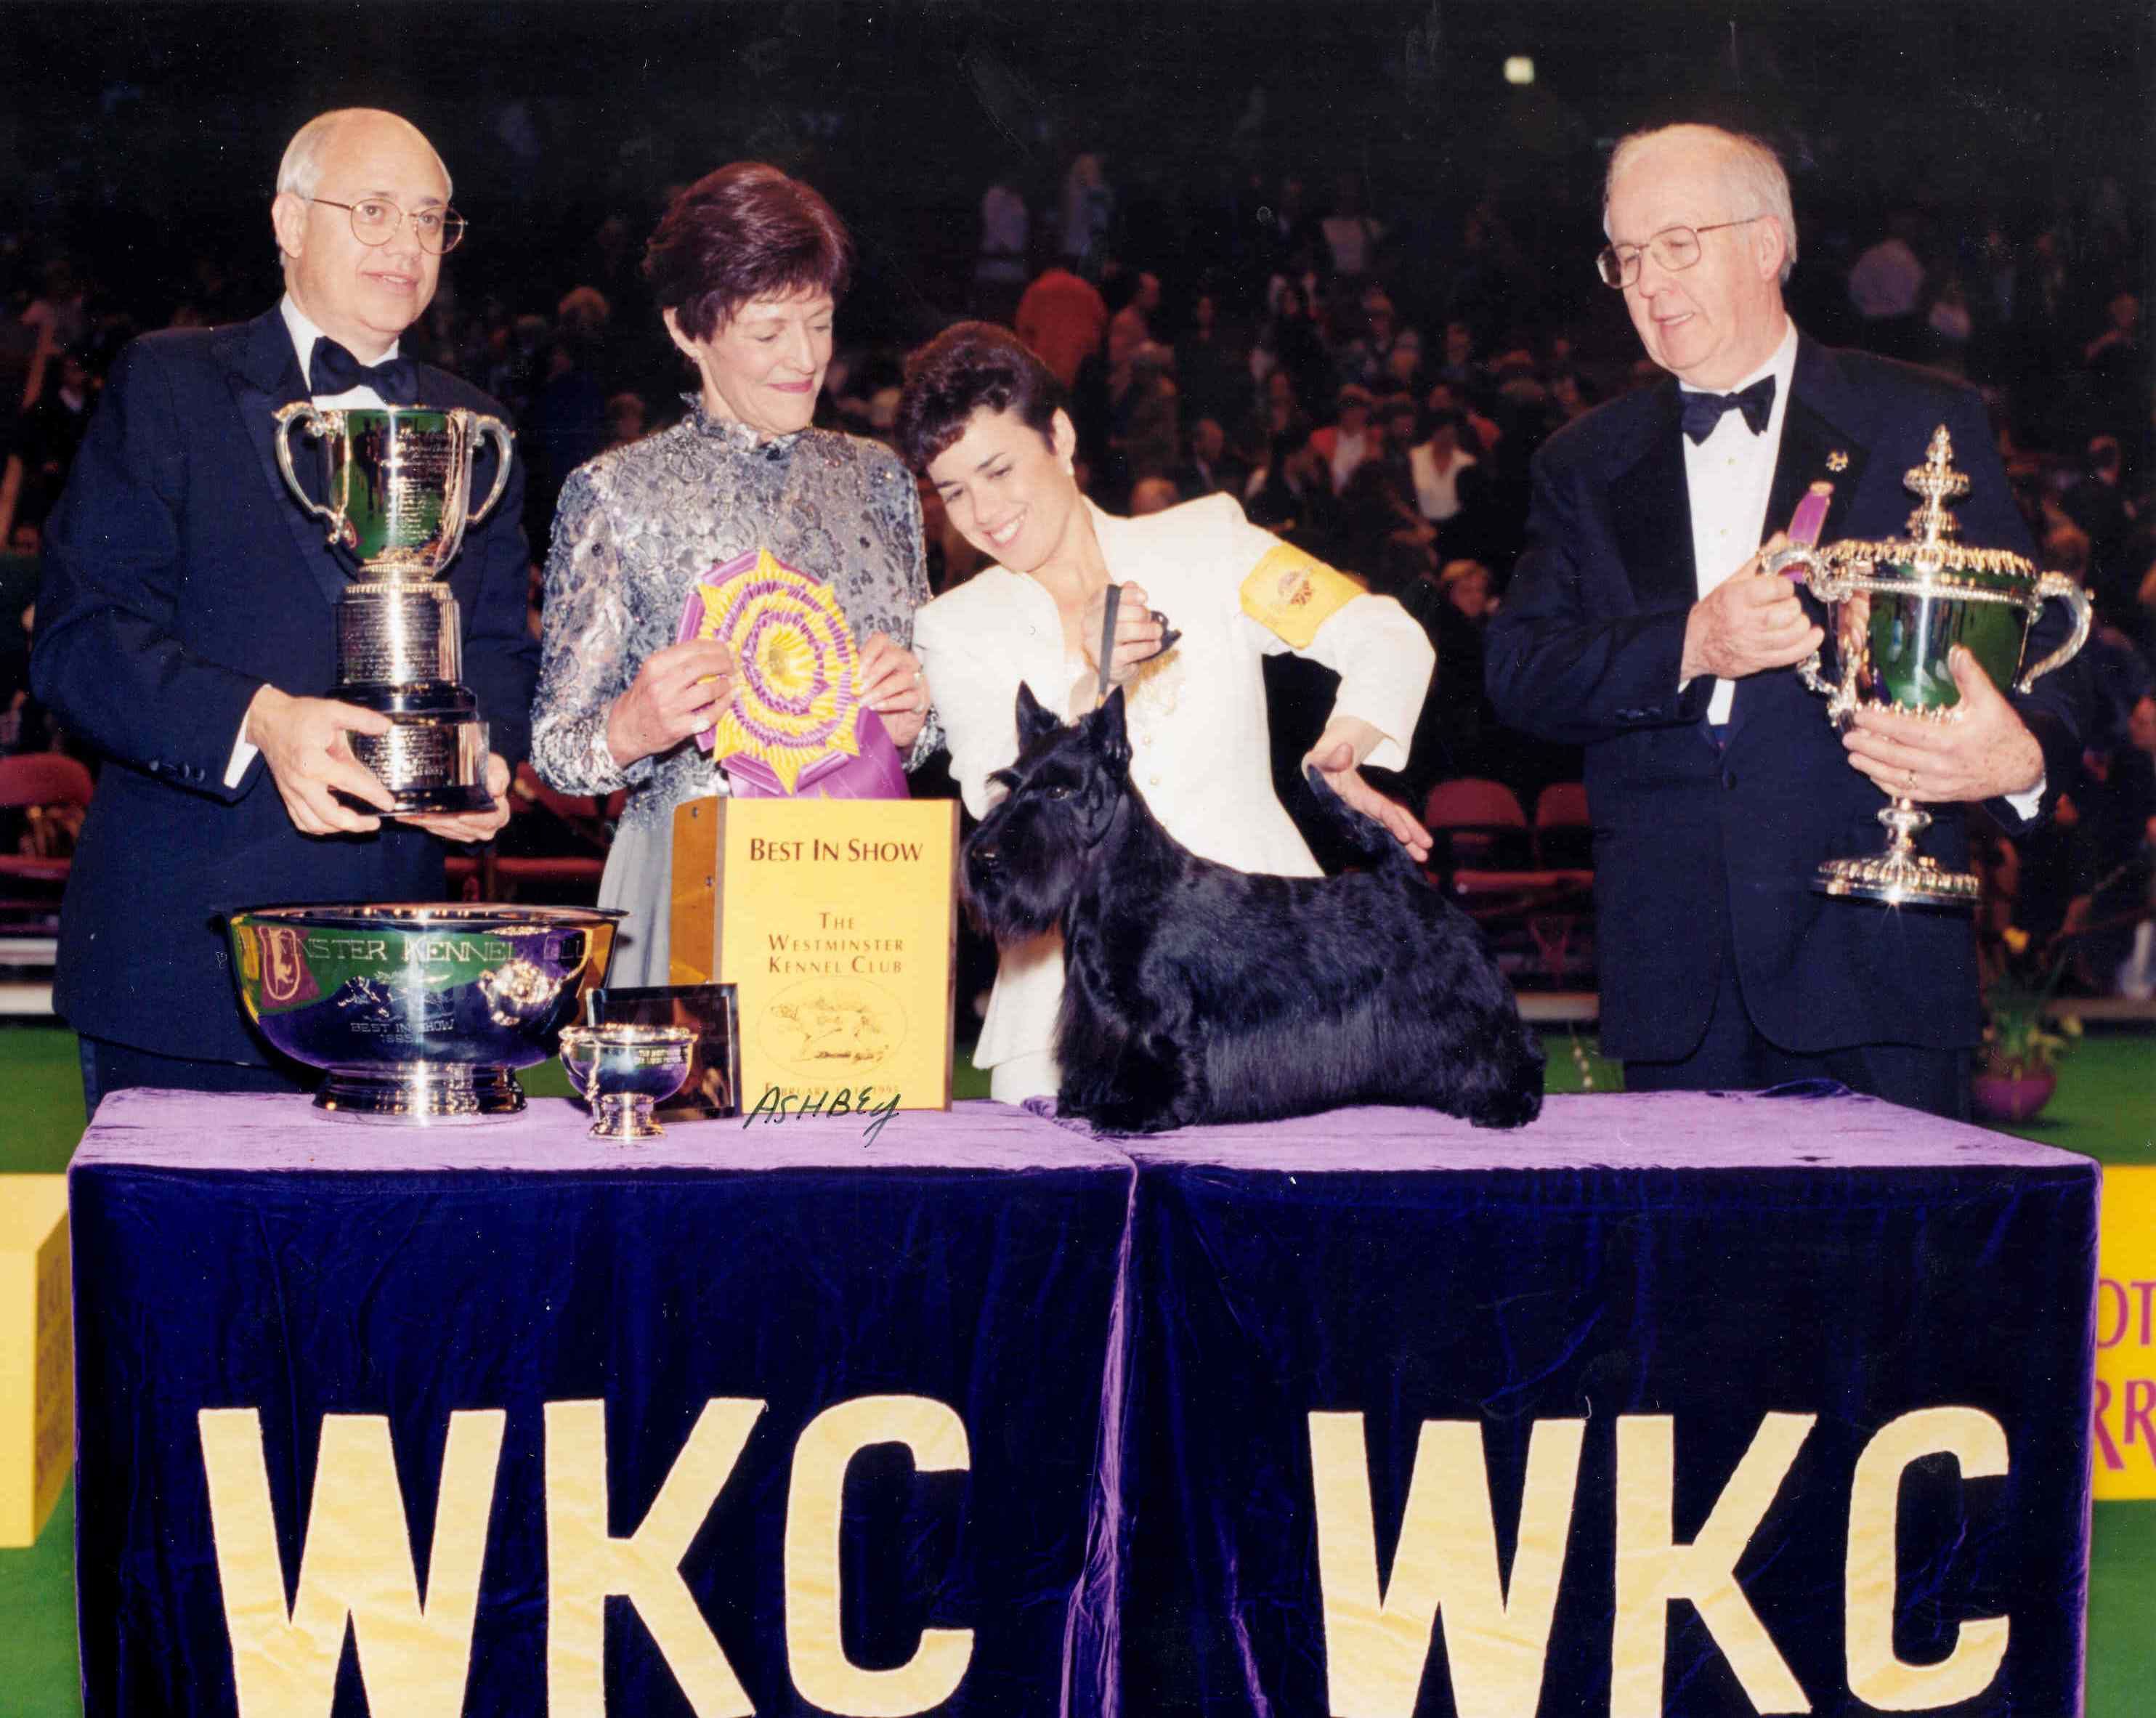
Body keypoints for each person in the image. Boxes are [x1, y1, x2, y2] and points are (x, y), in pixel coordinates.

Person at [1485, 123, 2085, 1118]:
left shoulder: (1920, 421)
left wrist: (2016, 762)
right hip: (1676, 991)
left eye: (1677, 244)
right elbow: (1519, 672)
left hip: (1878, 967)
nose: (1648, 282)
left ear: (1768, 244)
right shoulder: (1581, 461)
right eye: (1626, 258)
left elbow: (2050, 658)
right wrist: (1692, 641)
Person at [31, 108, 534, 1109]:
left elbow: (494, 651)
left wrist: (488, 760)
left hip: (398, 974)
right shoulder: (167, 383)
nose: (405, 244)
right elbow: (81, 643)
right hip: (184, 961)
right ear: (288, 221)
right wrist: (262, 721)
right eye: (375, 210)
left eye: (430, 219)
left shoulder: (479, 427)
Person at [896, 322, 1434, 1102]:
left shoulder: (1208, 543)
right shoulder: (953, 629)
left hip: (1271, 985)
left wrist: (1343, 747)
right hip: (1074, 1019)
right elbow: (1002, 803)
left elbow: (1382, 633)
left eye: (998, 468)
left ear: (1061, 434)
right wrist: (1093, 682)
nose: (983, 511)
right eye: (953, 491)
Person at [530, 163, 938, 986]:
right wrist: (634, 728)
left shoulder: (882, 481)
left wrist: (913, 718)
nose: (804, 358)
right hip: (680, 880)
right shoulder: (612, 494)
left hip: (857, 890)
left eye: (820, 324)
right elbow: (556, 750)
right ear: (688, 329)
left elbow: (927, 724)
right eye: (768, 331)